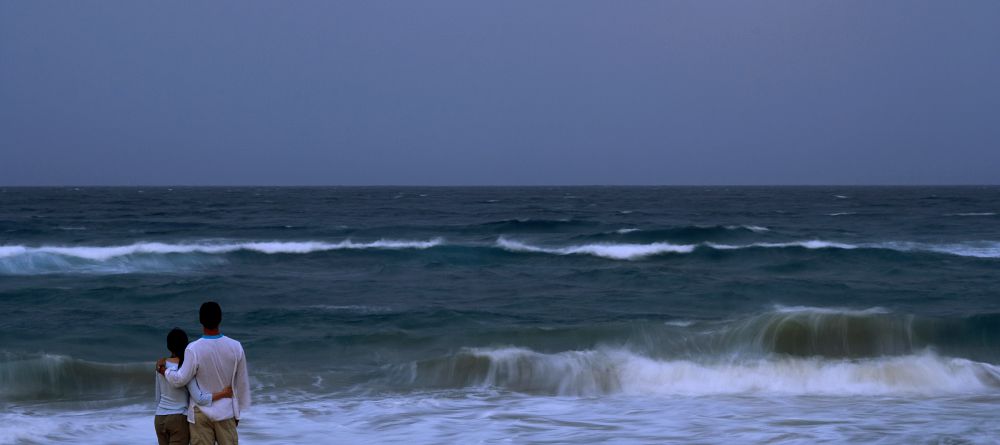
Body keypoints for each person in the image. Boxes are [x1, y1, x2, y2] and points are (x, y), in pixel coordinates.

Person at [158, 302, 251, 445]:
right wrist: (237, 413)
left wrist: (165, 370)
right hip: (226, 412)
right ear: (220, 319)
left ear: (201, 320)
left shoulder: (193, 349)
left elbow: (180, 379)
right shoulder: (235, 346)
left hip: (200, 414)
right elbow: (242, 383)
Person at [154, 328, 233, 445]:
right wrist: (224, 394)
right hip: (178, 419)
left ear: (168, 346)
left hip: (160, 419)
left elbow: (157, 398)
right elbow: (200, 398)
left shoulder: (160, 366)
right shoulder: (186, 367)